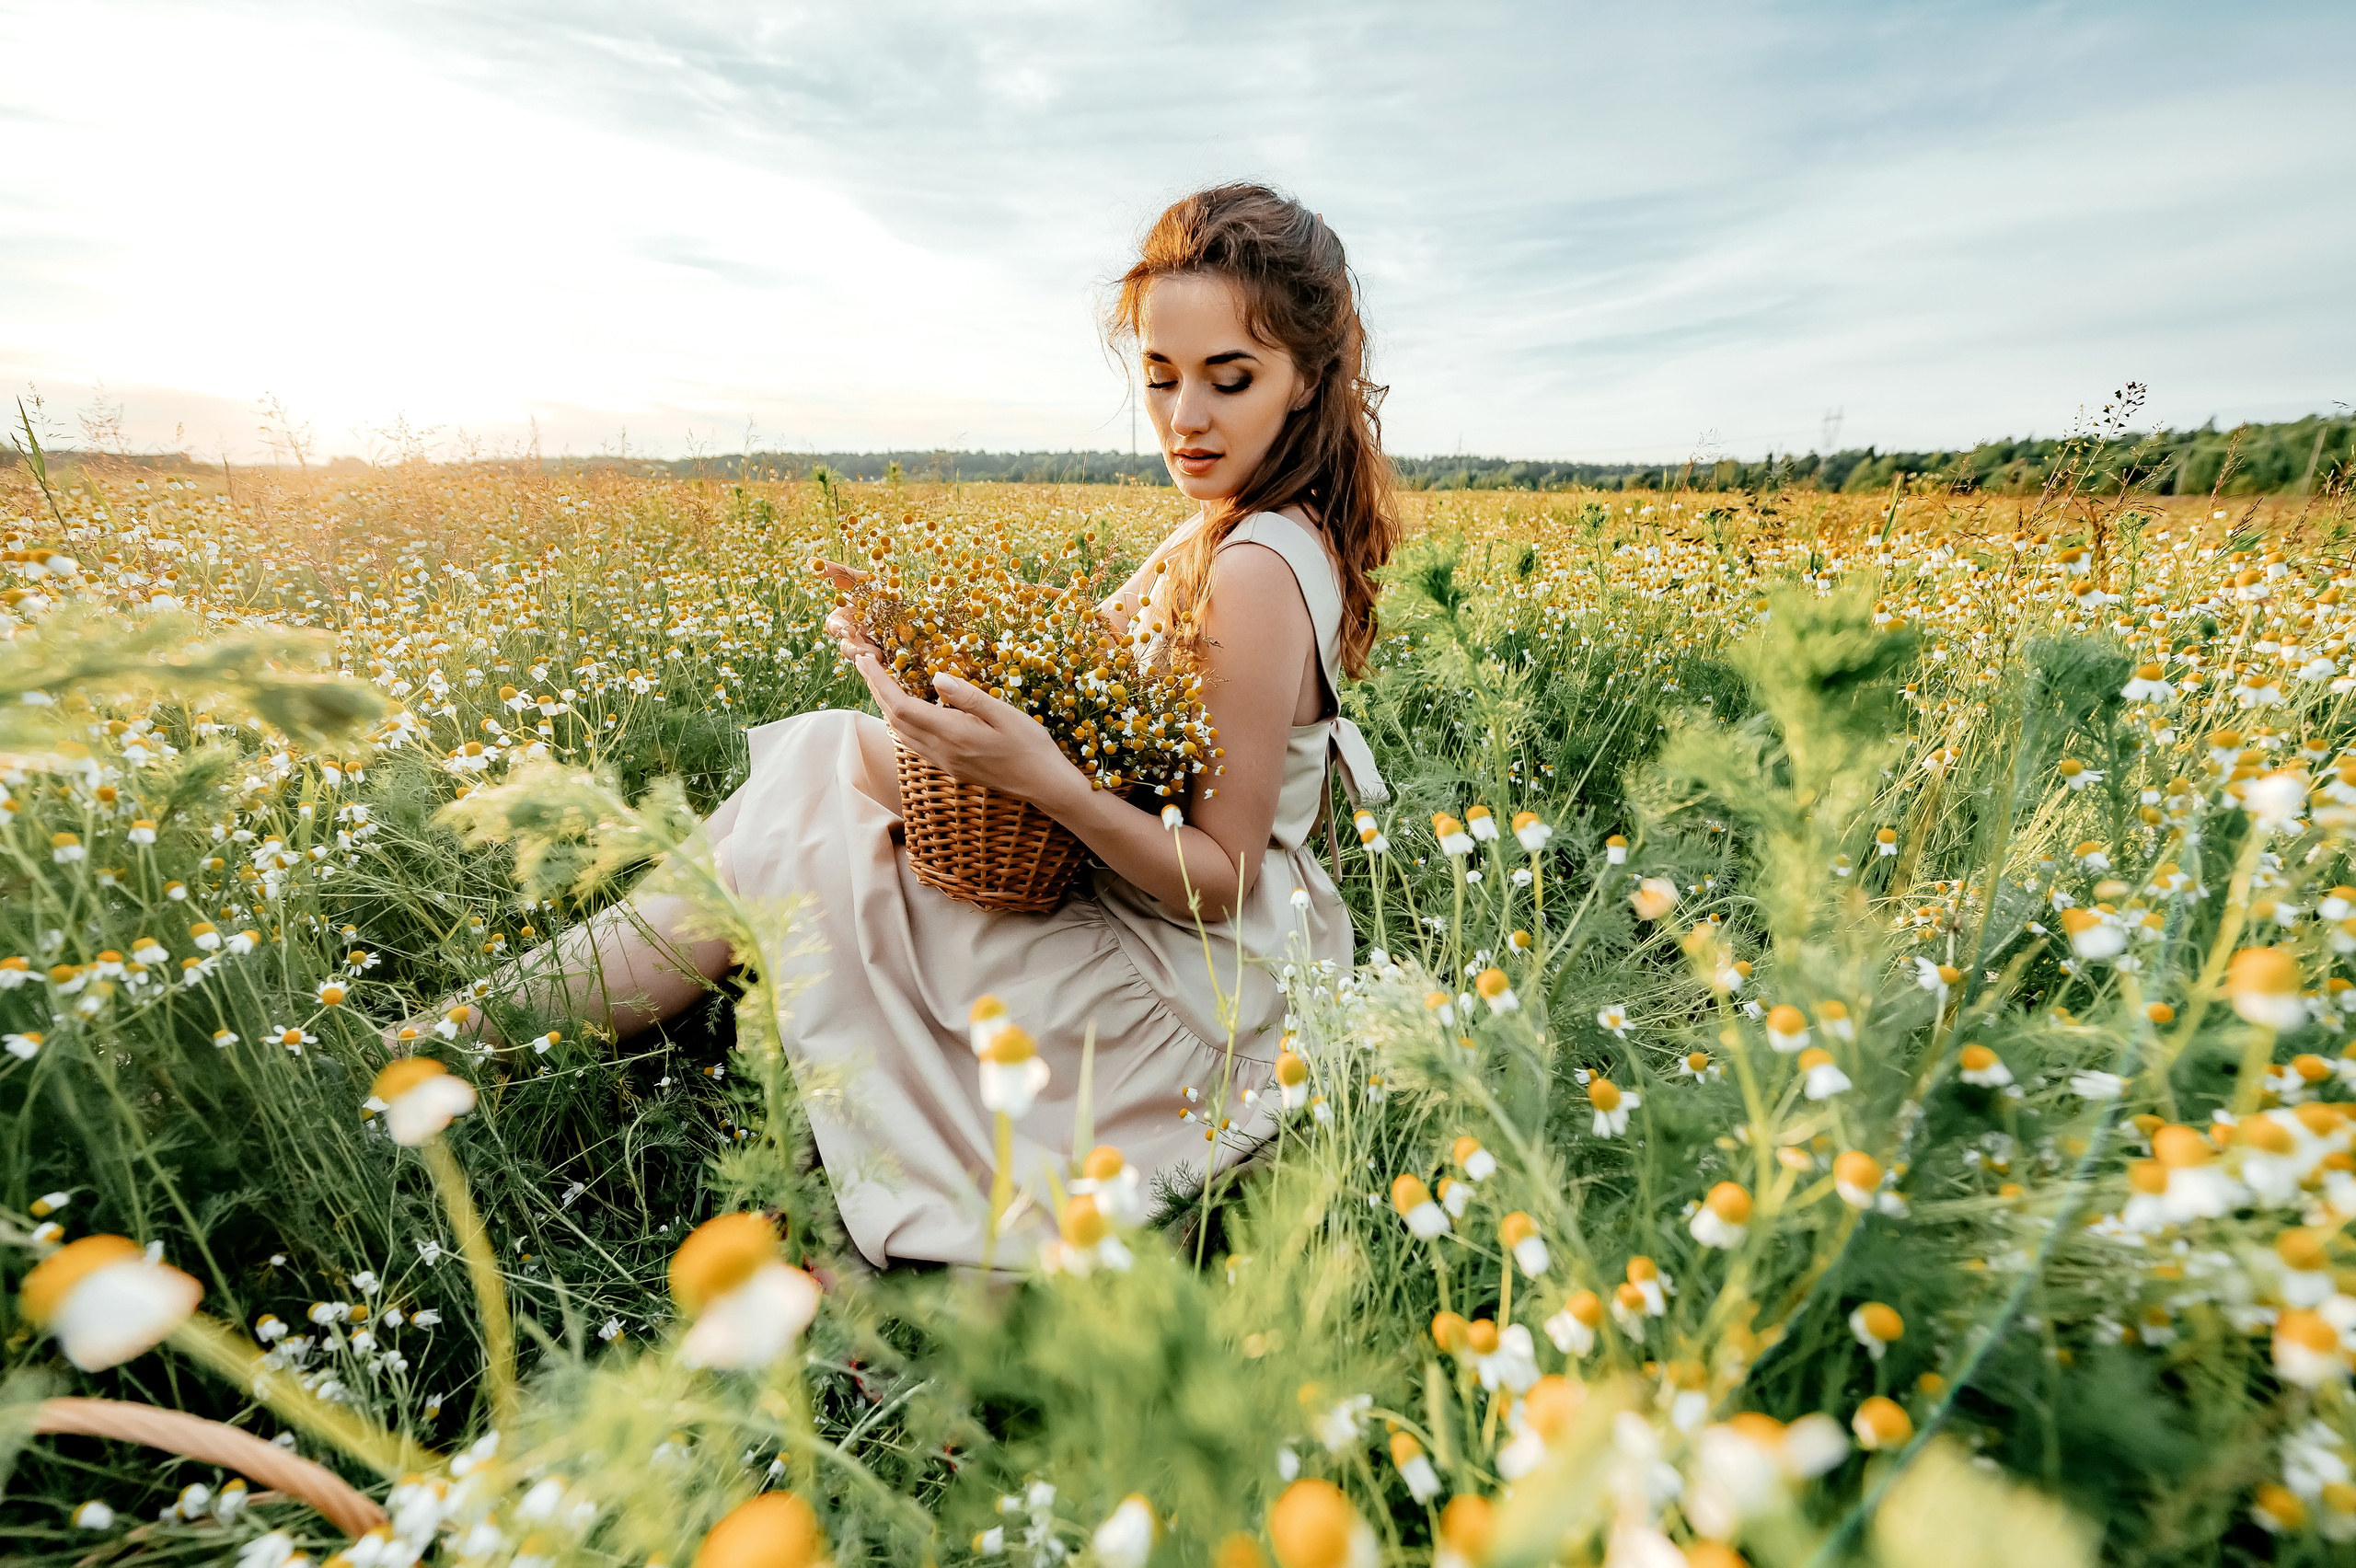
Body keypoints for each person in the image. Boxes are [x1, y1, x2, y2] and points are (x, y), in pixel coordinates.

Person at [400, 184, 1396, 1268]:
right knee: (825, 761)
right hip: (1204, 956)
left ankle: (459, 1043)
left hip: (1183, 1004)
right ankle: (478, 1032)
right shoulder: (1235, 526)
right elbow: (1081, 680)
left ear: (1308, 378)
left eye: (1228, 379)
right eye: (1160, 377)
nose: (1185, 418)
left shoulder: (1252, 568)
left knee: (799, 808)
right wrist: (914, 645)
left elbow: (1222, 879)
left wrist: (1046, 782)